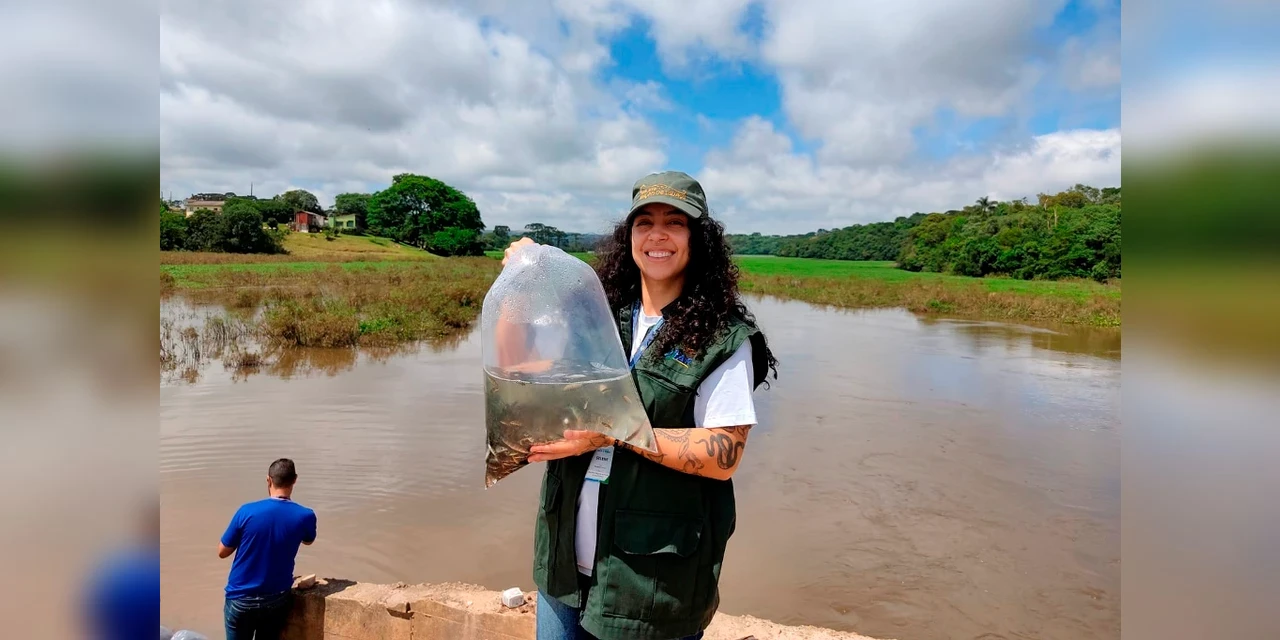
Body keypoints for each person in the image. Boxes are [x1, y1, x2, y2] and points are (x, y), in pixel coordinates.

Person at [502, 170, 779, 640]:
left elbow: (725, 452)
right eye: (643, 222)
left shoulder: (721, 337)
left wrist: (613, 432)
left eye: (675, 222)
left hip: (649, 584)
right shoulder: (597, 315)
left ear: (699, 238)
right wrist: (521, 283)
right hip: (563, 569)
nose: (657, 235)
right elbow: (521, 370)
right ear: (628, 236)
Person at [218, 459, 318, 640]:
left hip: (241, 598)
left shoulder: (246, 511)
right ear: (295, 480)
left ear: (268, 480)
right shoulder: (306, 515)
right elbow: (308, 541)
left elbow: (222, 552)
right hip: (277, 598)